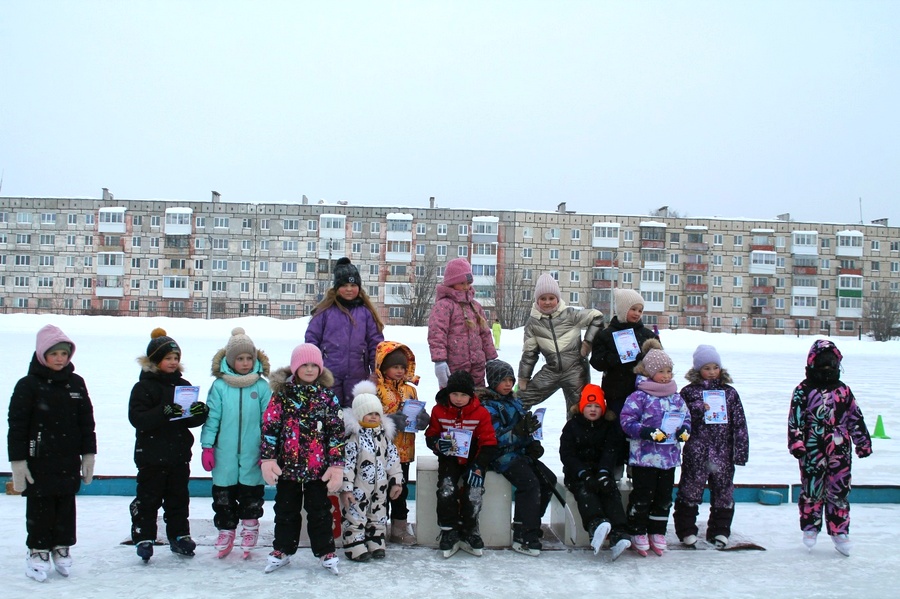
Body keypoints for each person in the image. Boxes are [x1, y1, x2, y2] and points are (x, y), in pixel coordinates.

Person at [8, 325, 96, 582]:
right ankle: (38, 550)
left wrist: (88, 454)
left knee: (66, 504)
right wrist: (18, 461)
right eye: (54, 354)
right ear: (42, 355)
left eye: (64, 354)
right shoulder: (28, 385)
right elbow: (17, 425)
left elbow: (86, 422)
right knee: (41, 505)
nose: (60, 359)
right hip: (39, 458)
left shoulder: (76, 383)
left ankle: (61, 546)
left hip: (68, 458)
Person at [260, 343, 345, 575]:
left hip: (318, 470)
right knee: (285, 510)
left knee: (320, 511)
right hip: (287, 469)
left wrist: (336, 465)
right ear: (295, 367)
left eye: (314, 365)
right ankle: (282, 549)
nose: (309, 369)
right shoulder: (282, 395)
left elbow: (336, 433)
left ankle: (326, 551)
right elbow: (270, 427)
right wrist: (268, 459)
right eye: (304, 365)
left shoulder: (327, 397)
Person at [128, 328, 209, 562]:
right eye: (168, 358)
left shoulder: (183, 385)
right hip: (151, 455)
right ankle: (144, 536)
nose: (173, 362)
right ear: (155, 360)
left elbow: (188, 419)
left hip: (178, 454)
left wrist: (199, 413)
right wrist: (162, 413)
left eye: (176, 358)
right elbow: (138, 419)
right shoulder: (144, 387)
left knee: (178, 499)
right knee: (149, 498)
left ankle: (179, 535)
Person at [788, 339, 872, 556]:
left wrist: (862, 442)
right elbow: (795, 418)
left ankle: (839, 531)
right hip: (812, 447)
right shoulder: (803, 390)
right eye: (822, 364)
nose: (827, 369)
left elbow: (855, 417)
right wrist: (796, 441)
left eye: (831, 364)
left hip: (839, 448)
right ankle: (810, 526)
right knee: (812, 488)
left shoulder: (843, 390)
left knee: (839, 490)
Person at [200, 327, 272, 558]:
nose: (245, 363)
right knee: (224, 496)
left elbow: (268, 422)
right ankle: (226, 530)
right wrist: (207, 446)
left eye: (249, 358)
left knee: (251, 495)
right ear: (231, 360)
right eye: (240, 358)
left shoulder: (261, 387)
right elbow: (212, 418)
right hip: (224, 453)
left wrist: (268, 451)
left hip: (253, 452)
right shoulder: (220, 386)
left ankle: (250, 529)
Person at [673, 345, 749, 549]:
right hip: (697, 452)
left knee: (724, 491)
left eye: (715, 367)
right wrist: (697, 409)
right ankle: (686, 530)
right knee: (690, 490)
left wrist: (740, 451)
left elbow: (739, 424)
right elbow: (679, 418)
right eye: (707, 368)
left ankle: (720, 530)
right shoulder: (689, 392)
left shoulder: (729, 393)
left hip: (723, 453)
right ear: (698, 370)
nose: (712, 372)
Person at [619, 339, 690, 557]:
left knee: (663, 496)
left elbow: (686, 417)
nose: (666, 376)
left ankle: (657, 530)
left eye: (669, 371)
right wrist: (647, 432)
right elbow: (626, 421)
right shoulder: (639, 396)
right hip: (645, 457)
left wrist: (684, 431)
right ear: (649, 372)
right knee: (643, 494)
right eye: (661, 371)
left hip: (668, 458)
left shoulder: (676, 397)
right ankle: (637, 530)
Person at [479, 359, 555, 556]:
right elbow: (494, 438)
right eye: (503, 380)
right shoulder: (488, 407)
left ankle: (531, 523)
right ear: (493, 381)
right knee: (529, 484)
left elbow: (524, 430)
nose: (508, 384)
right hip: (500, 456)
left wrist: (532, 443)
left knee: (549, 480)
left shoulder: (515, 402)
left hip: (519, 453)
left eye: (511, 380)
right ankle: (523, 533)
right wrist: (518, 433)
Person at [424, 371, 498, 557]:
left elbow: (489, 442)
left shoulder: (481, 413)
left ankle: (469, 529)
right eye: (454, 394)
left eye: (463, 395)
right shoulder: (438, 410)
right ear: (448, 393)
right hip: (449, 458)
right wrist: (437, 444)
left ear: (471, 395)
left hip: (474, 458)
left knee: (474, 491)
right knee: (446, 488)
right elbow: (431, 434)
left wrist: (479, 465)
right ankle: (449, 530)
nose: (458, 399)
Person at [559, 384, 632, 561]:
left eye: (597, 406)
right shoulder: (572, 426)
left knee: (610, 491)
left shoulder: (608, 427)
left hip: (601, 471)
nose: (593, 409)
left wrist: (604, 472)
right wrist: (583, 473)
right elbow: (567, 454)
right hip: (578, 474)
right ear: (582, 407)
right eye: (589, 406)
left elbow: (611, 451)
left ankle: (619, 533)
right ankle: (596, 524)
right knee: (586, 491)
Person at [518, 273, 604, 414]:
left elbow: (597, 317)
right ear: (537, 300)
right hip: (552, 371)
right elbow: (529, 353)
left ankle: (575, 428)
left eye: (551, 298)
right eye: (543, 298)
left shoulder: (570, 314)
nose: (547, 302)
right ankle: (513, 425)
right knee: (520, 399)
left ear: (557, 299)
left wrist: (587, 343)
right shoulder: (533, 323)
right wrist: (523, 377)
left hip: (576, 370)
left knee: (578, 411)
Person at [306, 257, 385, 407]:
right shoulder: (325, 311)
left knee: (356, 409)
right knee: (330, 408)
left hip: (358, 374)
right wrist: (313, 367)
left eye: (353, 285)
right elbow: (312, 340)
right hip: (329, 374)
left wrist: (376, 371)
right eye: (344, 285)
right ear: (336, 287)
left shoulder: (366, 313)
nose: (349, 289)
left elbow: (375, 344)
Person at [339, 382, 404, 562]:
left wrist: (396, 480)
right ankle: (354, 543)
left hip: (380, 487)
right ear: (359, 415)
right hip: (358, 488)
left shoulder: (384, 437)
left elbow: (393, 460)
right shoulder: (354, 439)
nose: (374, 417)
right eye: (369, 413)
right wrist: (346, 488)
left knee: (378, 514)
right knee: (355, 515)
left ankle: (375, 540)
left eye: (377, 413)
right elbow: (348, 465)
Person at [373, 341, 429, 545]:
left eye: (403, 367)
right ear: (383, 367)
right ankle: (378, 526)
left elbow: (418, 410)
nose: (399, 371)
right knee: (380, 490)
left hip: (405, 450)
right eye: (395, 366)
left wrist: (423, 419)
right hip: (381, 450)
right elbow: (370, 417)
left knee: (401, 490)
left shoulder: (410, 390)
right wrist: (389, 421)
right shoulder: (377, 389)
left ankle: (399, 528)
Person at [589, 288, 659, 421]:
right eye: (633, 309)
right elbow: (596, 362)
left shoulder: (648, 335)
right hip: (616, 392)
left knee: (642, 426)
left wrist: (644, 359)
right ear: (622, 309)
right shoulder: (606, 335)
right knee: (618, 426)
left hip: (644, 392)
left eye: (640, 310)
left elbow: (660, 362)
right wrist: (618, 358)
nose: (637, 313)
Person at [428, 258, 497, 388]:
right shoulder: (444, 306)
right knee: (456, 395)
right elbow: (437, 334)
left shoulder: (475, 306)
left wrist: (491, 358)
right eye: (461, 283)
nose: (466, 287)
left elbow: (485, 334)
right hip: (455, 365)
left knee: (478, 395)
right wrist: (440, 361)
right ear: (451, 283)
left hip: (477, 365)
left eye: (468, 283)